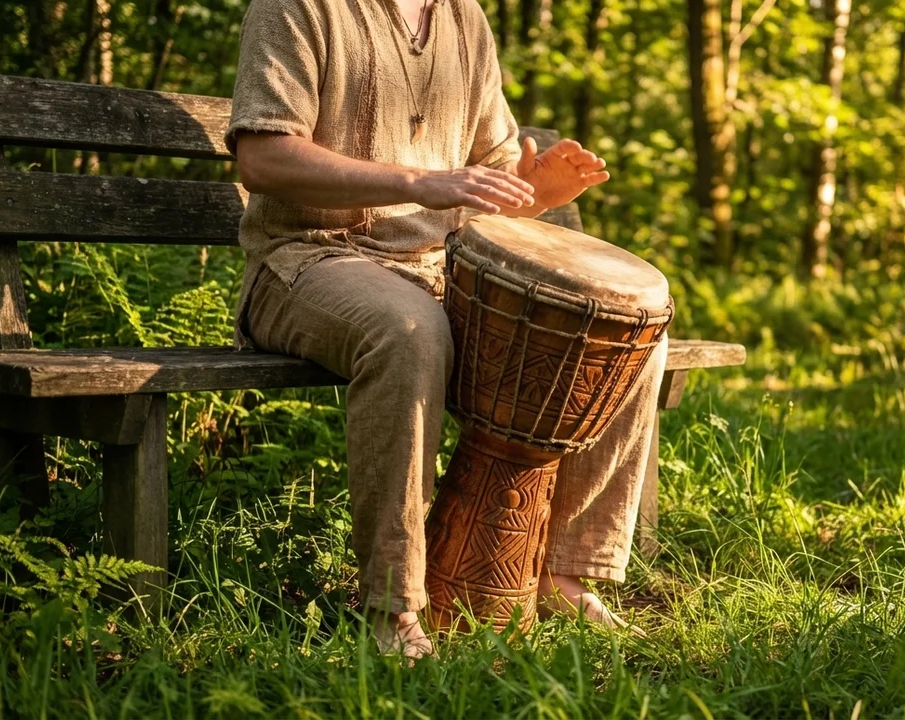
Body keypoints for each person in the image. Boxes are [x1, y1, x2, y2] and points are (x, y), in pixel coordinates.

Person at [225, 0, 667, 659]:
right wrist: (417, 181)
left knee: (624, 329)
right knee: (410, 332)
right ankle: (392, 604)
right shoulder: (297, 7)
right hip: (308, 259)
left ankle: (562, 573)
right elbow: (263, 158)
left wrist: (536, 189)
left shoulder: (464, 18)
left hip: (441, 266)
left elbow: (491, 177)